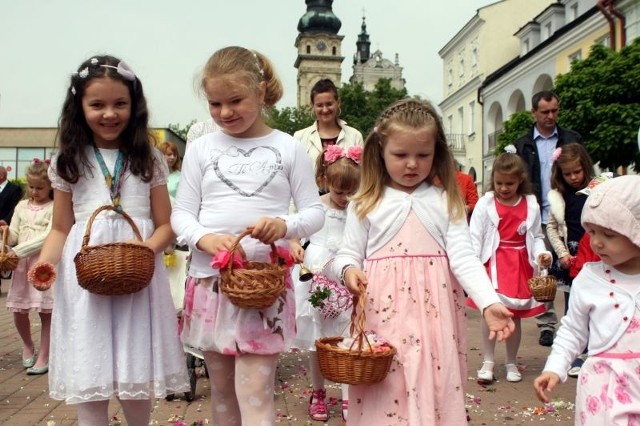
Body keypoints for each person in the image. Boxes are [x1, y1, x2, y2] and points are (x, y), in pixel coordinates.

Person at [329, 98, 515, 425]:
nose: (412, 164)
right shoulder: (365, 201)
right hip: (381, 316)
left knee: (433, 382)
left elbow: (464, 258)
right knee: (388, 389)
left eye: (423, 155)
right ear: (380, 151)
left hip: (436, 320)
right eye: (401, 155)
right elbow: (346, 253)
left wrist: (488, 302)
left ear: (437, 154)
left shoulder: (446, 201)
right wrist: (347, 270)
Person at [28, 55, 188, 426]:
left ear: (135, 105)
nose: (109, 114)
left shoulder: (149, 158)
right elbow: (60, 227)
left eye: (120, 104)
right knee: (91, 371)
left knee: (136, 375)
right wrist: (47, 262)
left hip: (138, 279)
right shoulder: (69, 160)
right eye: (97, 104)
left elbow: (166, 225)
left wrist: (142, 252)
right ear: (79, 107)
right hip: (85, 280)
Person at [171, 46, 324, 425]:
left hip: (263, 288)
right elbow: (182, 214)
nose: (225, 112)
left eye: (235, 100)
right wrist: (204, 238)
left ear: (261, 91)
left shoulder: (289, 148)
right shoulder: (201, 148)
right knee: (222, 393)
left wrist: (285, 226)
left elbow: (315, 212)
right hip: (212, 282)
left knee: (254, 392)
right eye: (215, 103)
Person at [534, 175, 640, 426]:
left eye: (609, 234)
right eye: (592, 231)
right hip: (602, 389)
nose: (597, 242)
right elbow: (573, 331)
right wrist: (555, 368)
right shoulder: (589, 279)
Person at [289, 144, 362, 422]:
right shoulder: (316, 207)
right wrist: (295, 244)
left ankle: (348, 394)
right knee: (317, 339)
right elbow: (294, 230)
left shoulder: (359, 209)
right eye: (340, 191)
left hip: (346, 273)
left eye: (351, 191)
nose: (345, 197)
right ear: (325, 181)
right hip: (316, 273)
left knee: (346, 336)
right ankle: (318, 392)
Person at [467, 147, 552, 384]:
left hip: (519, 265)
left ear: (520, 181)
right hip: (493, 264)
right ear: (492, 180)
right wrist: (471, 267)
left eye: (509, 184)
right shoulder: (486, 204)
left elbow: (535, 236)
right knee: (490, 312)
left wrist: (542, 255)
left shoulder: (530, 204)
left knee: (514, 317)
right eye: (499, 183)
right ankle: (488, 360)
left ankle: (511, 361)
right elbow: (475, 236)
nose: (504, 188)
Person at [515, 90, 583, 347]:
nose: (551, 116)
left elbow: (582, 171)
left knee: (570, 267)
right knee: (543, 271)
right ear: (534, 112)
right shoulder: (522, 145)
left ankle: (571, 321)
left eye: (555, 110)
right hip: (535, 215)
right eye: (545, 112)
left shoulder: (571, 139)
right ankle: (546, 324)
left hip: (565, 215)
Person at [2, 160, 54, 375]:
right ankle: (27, 344)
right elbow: (14, 234)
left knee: (46, 311)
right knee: (19, 309)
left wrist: (18, 251)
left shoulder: (55, 207)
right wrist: (5, 232)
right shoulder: (21, 206)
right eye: (31, 187)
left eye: (39, 187)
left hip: (43, 263)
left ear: (50, 186)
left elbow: (47, 237)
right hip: (22, 266)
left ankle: (44, 354)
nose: (34, 191)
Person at [546, 143, 595, 313]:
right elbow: (551, 228)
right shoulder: (559, 196)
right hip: (571, 261)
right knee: (573, 306)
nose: (573, 177)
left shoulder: (596, 191)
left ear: (585, 167)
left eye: (577, 172)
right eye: (567, 174)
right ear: (560, 174)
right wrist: (562, 253)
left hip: (594, 258)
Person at [293, 78, 363, 169]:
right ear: (312, 105)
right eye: (319, 105)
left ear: (338, 103)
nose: (325, 110)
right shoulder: (299, 137)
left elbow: (363, 174)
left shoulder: (355, 136)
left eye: (329, 104)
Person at [158, 141, 189, 313]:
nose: (169, 157)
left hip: (176, 220)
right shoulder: (153, 175)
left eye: (172, 154)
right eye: (166, 154)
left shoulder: (180, 176)